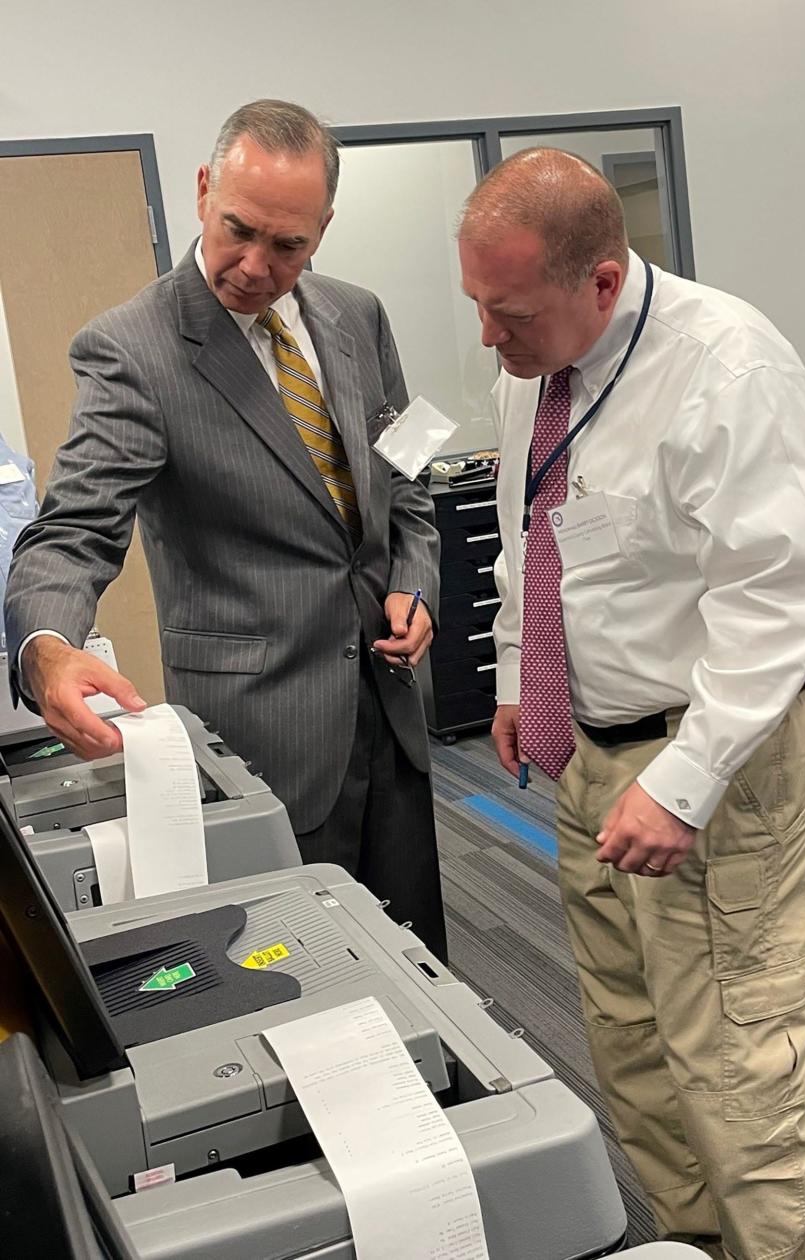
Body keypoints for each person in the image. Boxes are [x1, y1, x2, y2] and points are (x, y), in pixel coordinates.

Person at [457, 148, 805, 1258]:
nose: (490, 336)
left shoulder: (729, 368)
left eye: (510, 311)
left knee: (740, 1082)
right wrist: (515, 676)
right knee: (634, 1055)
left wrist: (681, 787)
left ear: (601, 279)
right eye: (477, 307)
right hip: (592, 757)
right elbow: (531, 538)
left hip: (723, 765)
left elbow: (779, 605)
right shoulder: (535, 361)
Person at [5, 100, 446, 961]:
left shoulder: (358, 317)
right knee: (301, 974)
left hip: (391, 721)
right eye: (237, 229)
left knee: (415, 959)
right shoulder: (135, 350)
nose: (254, 265)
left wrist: (415, 580)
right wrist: (47, 645)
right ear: (204, 190)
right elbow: (75, 530)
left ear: (323, 229)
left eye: (289, 246)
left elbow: (407, 481)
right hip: (267, 735)